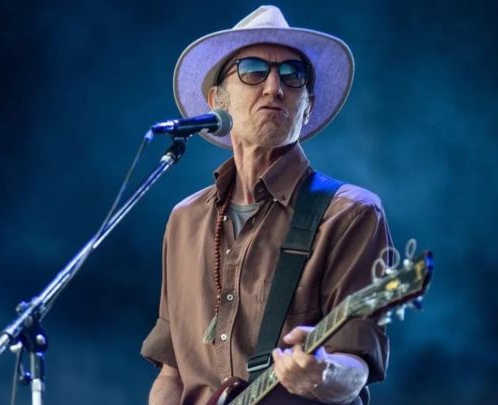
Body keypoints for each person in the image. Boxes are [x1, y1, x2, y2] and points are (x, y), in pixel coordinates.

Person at [141, 6, 391, 404]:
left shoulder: (349, 214)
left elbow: (355, 366)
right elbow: (172, 374)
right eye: (254, 70)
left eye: (293, 75)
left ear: (307, 106)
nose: (274, 87)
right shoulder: (185, 220)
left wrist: (321, 373)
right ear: (217, 100)